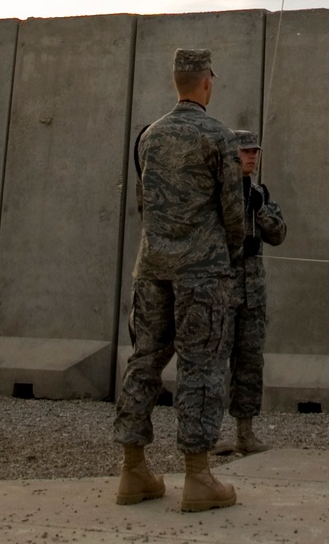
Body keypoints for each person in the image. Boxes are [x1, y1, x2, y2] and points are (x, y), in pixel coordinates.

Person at [113, 46, 245, 513]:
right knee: (202, 366)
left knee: (144, 359)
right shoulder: (219, 136)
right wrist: (227, 255)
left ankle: (133, 470)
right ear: (207, 80)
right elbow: (234, 212)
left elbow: (144, 204)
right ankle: (198, 476)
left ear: (176, 82)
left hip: (151, 267)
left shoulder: (148, 137)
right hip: (202, 272)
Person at [215, 130, 287, 455]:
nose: (252, 157)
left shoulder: (259, 193)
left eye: (255, 151)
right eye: (245, 151)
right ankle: (210, 435)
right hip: (222, 290)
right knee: (215, 363)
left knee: (249, 364)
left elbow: (279, 233)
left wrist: (260, 208)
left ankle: (245, 432)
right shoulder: (218, 191)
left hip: (252, 294)